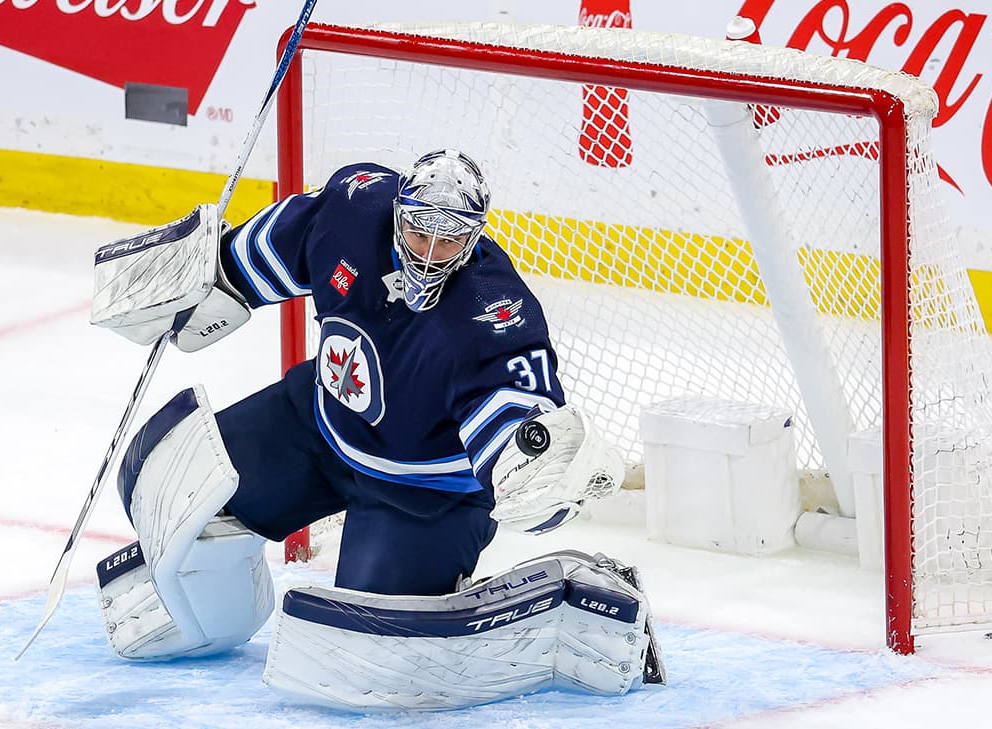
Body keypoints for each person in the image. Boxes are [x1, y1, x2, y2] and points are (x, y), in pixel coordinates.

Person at [87, 150, 663, 707]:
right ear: (399, 214)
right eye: (419, 230)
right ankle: (217, 608)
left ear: (476, 236)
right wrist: (199, 274)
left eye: (452, 237)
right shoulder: (352, 212)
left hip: (420, 497)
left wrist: (534, 464)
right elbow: (257, 256)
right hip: (314, 428)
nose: (433, 252)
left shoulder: (494, 312)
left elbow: (512, 423)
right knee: (168, 478)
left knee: (364, 658)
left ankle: (566, 592)